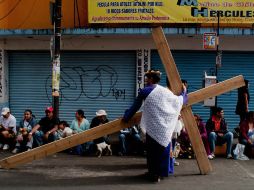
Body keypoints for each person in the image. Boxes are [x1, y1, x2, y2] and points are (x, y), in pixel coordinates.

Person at [123, 70, 187, 182]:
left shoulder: (145, 91)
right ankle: (160, 174)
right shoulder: (166, 92)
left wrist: (126, 118)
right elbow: (180, 101)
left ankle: (153, 174)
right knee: (162, 152)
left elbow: (135, 106)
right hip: (164, 129)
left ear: (151, 79)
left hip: (153, 128)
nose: (146, 80)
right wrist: (184, 92)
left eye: (147, 78)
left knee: (152, 153)